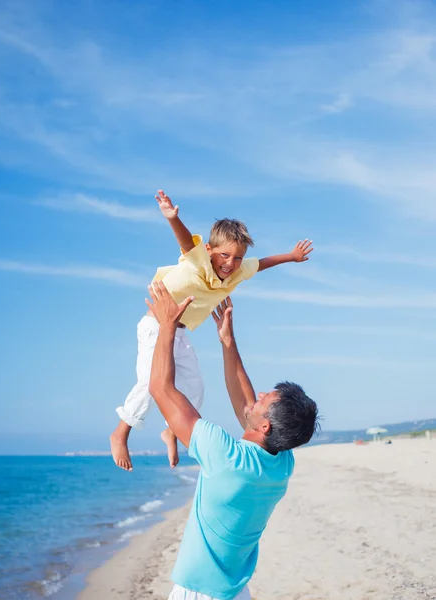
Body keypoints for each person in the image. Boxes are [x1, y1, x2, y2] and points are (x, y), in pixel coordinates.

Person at [110, 190, 314, 471]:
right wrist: (173, 218)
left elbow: (262, 263)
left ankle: (171, 430)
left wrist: (291, 257)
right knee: (150, 382)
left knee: (195, 387)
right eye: (224, 255)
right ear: (209, 250)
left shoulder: (239, 269)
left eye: (237, 258)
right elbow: (184, 241)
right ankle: (121, 432)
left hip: (179, 332)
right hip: (156, 325)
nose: (230, 264)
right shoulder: (198, 259)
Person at [146, 282, 319, 600]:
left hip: (198, 593)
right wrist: (227, 341)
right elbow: (246, 407)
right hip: (234, 591)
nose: (261, 394)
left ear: (265, 425)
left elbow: (160, 388)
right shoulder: (281, 463)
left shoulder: (225, 455)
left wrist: (167, 325)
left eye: (266, 398)